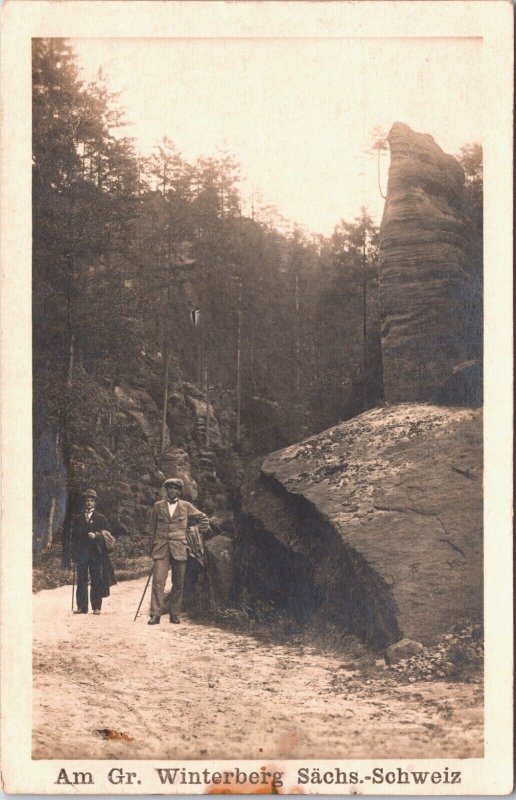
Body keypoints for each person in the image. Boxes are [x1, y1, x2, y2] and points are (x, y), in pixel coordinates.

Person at [147, 478, 209, 625]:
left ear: (179, 491)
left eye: (175, 488)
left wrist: (192, 532)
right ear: (166, 490)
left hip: (180, 548)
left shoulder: (186, 506)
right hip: (161, 548)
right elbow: (151, 529)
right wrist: (151, 548)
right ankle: (155, 614)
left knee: (178, 583)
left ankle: (174, 614)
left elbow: (204, 519)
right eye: (169, 488)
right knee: (158, 581)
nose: (171, 490)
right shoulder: (157, 506)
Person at [68, 489, 113, 615]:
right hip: (81, 553)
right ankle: (82, 607)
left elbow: (107, 534)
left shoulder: (101, 518)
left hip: (96, 553)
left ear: (95, 503)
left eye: (91, 501)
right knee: (81, 579)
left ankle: (96, 607)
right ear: (84, 502)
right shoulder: (78, 518)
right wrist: (73, 553)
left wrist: (97, 535)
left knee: (96, 579)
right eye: (87, 500)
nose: (89, 503)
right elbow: (73, 538)